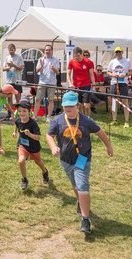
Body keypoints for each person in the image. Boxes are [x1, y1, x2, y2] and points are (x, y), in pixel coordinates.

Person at [46, 92, 114, 234]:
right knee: (75, 185)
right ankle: (80, 202)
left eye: (71, 106)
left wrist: (108, 146)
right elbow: (49, 135)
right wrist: (53, 147)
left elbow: (100, 132)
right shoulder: (58, 120)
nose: (68, 109)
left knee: (82, 186)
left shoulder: (86, 120)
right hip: (65, 160)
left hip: (82, 159)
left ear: (77, 106)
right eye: (65, 106)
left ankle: (85, 220)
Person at [12, 101, 49, 190]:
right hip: (23, 145)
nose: (21, 113)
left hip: (33, 146)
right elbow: (17, 125)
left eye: (24, 111)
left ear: (29, 112)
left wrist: (30, 134)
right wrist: (14, 132)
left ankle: (44, 172)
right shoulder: (17, 120)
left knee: (38, 162)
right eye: (19, 111)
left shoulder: (33, 124)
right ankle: (24, 180)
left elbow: (38, 137)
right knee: (21, 161)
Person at [106, 47, 132, 128]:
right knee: (114, 102)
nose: (118, 53)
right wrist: (113, 75)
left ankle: (126, 121)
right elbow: (108, 72)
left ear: (122, 52)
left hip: (124, 83)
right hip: (114, 83)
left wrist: (126, 74)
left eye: (119, 52)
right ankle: (114, 120)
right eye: (116, 52)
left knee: (125, 101)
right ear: (114, 53)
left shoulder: (127, 61)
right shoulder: (112, 61)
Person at [33, 44, 60, 122]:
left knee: (51, 100)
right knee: (37, 99)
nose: (47, 51)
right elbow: (37, 70)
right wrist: (41, 66)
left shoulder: (55, 60)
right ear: (44, 51)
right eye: (46, 50)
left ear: (52, 51)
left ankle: (48, 117)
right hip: (42, 82)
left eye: (49, 50)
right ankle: (35, 116)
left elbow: (57, 71)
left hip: (52, 82)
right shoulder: (41, 59)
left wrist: (53, 67)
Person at [67, 47, 95, 117]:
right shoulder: (72, 62)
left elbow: (91, 74)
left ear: (81, 54)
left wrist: (93, 86)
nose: (77, 57)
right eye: (75, 56)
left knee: (86, 106)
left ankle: (88, 119)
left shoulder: (88, 62)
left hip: (86, 85)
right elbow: (68, 74)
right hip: (76, 86)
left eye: (78, 56)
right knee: (79, 105)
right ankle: (81, 120)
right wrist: (70, 83)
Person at [2, 43, 24, 121]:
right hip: (9, 81)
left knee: (18, 98)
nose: (11, 51)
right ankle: (10, 114)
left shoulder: (19, 58)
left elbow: (21, 68)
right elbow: (3, 68)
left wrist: (13, 65)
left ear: (15, 50)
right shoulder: (7, 58)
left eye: (12, 50)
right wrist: (9, 67)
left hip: (17, 81)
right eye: (9, 50)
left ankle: (19, 113)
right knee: (9, 98)